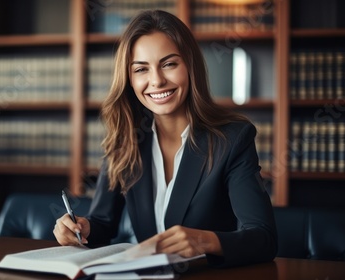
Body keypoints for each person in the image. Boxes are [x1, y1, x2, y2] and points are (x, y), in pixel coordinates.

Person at [54, 9, 277, 268]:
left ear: (189, 66)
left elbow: (264, 239)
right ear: (129, 79)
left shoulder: (232, 138)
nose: (157, 81)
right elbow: (103, 223)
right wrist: (81, 228)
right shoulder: (126, 139)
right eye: (141, 69)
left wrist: (204, 240)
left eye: (169, 64)